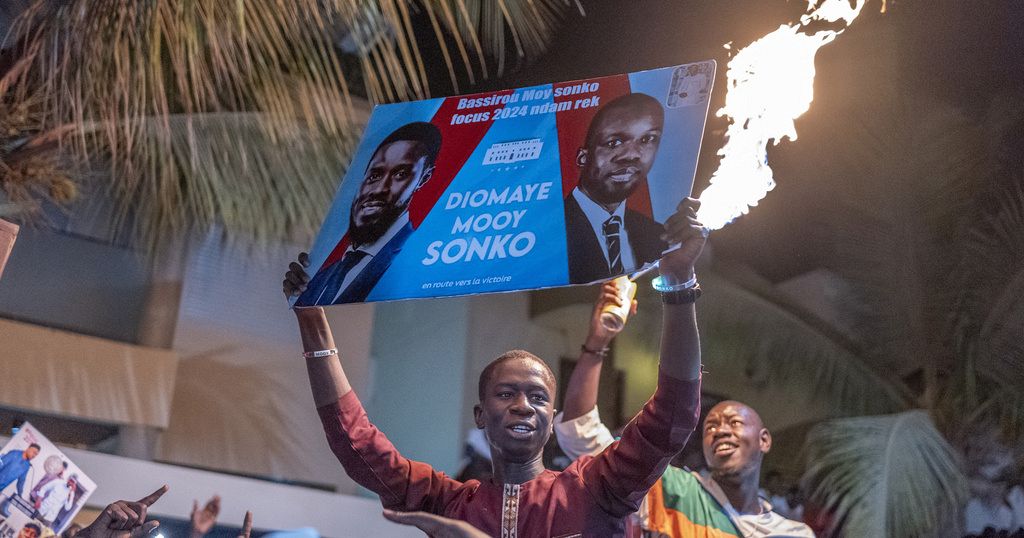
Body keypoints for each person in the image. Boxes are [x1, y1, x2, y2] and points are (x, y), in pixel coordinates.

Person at [283, 197, 708, 536]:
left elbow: (672, 414)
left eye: (539, 397)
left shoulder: (595, 489)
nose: (524, 405)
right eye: (506, 393)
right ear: (480, 416)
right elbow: (355, 442)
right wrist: (311, 319)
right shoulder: (444, 501)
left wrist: (679, 283)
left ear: (552, 417)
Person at [555, 303, 816, 538]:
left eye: (734, 422)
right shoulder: (670, 492)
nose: (721, 431)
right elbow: (580, 431)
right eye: (711, 426)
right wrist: (597, 342)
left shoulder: (793, 533)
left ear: (764, 440)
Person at [298, 121, 442, 305]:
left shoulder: (414, 263)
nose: (380, 188)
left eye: (400, 174)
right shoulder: (322, 276)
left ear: (424, 178)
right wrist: (300, 296)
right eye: (374, 175)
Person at [564, 92, 669, 284]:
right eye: (614, 142)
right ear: (583, 158)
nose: (632, 155)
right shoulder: (548, 231)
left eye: (647, 140)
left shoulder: (658, 236)